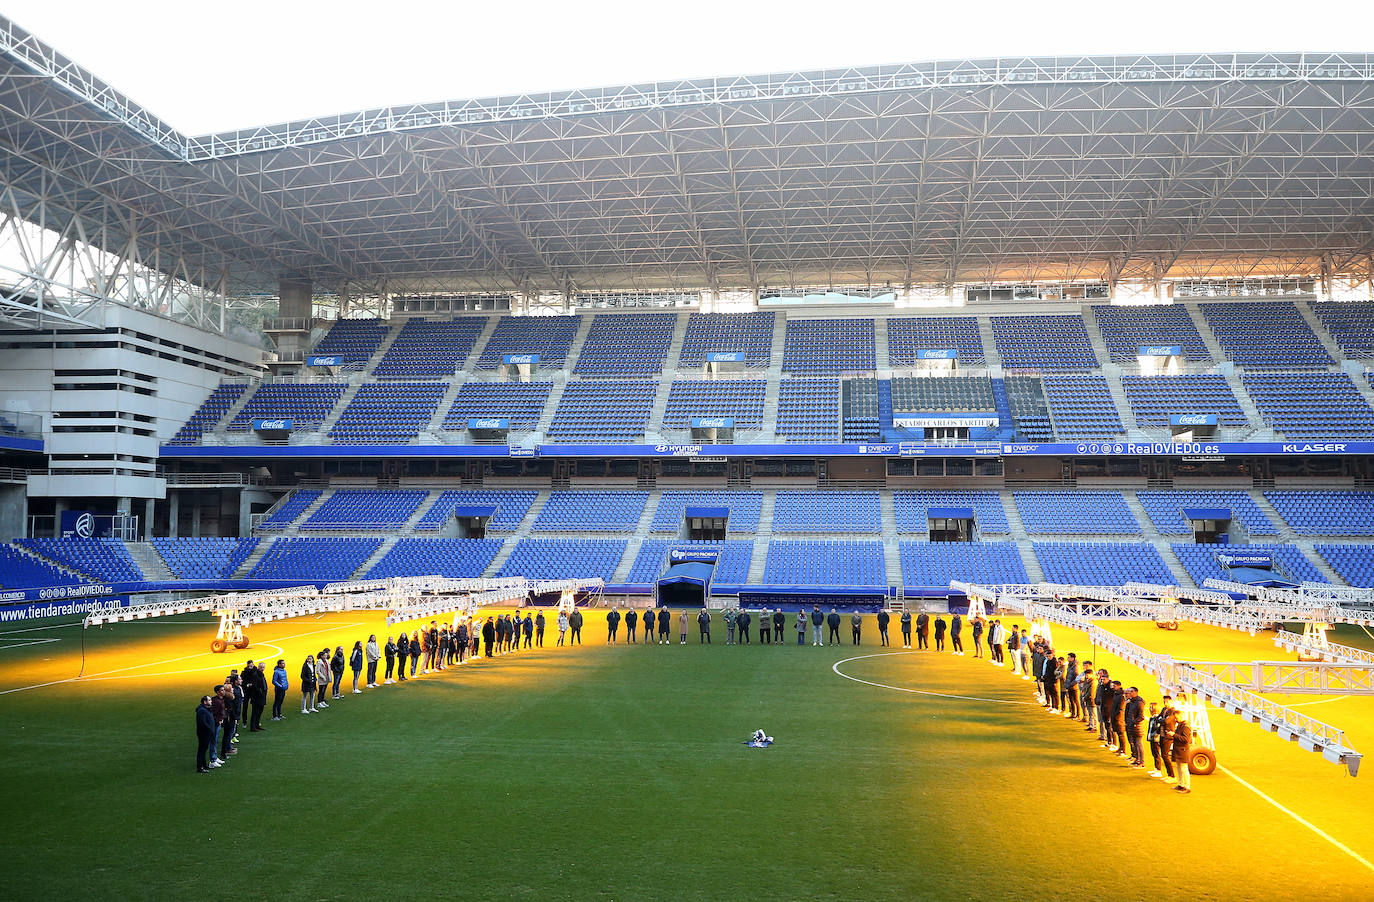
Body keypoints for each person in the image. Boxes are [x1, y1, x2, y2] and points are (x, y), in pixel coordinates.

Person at [1171, 712, 1193, 794]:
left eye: (1177, 718)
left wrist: (1174, 735)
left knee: (1184, 769)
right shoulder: (1181, 725)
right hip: (1179, 749)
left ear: (1181, 716)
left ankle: (1187, 787)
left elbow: (1185, 739)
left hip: (1183, 750)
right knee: (1179, 767)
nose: (1176, 720)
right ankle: (1181, 784)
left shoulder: (1186, 727)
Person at [196, 695, 216, 773]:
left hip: (206, 733)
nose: (211, 701)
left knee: (204, 749)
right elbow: (203, 723)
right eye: (209, 700)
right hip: (204, 733)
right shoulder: (202, 711)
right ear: (205, 702)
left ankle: (203, 765)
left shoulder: (205, 709)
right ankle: (200, 767)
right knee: (202, 750)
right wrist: (210, 729)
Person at [208, 684, 227, 766]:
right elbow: (212, 714)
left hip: (218, 723)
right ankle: (212, 760)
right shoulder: (216, 702)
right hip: (215, 724)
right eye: (222, 690)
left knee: (215, 741)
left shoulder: (220, 699)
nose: (224, 691)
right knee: (213, 741)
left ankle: (215, 757)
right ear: (218, 692)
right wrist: (218, 721)